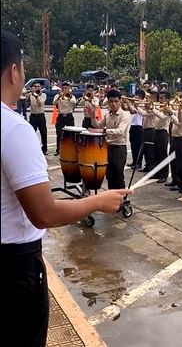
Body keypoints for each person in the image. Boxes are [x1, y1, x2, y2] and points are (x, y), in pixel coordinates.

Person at [1, 30, 132, 347]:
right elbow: (43, 213)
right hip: (12, 268)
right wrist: (98, 201)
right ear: (14, 71)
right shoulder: (13, 128)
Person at [87, 88, 131, 189]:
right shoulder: (108, 114)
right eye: (111, 101)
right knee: (110, 176)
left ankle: (121, 201)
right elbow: (98, 125)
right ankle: (112, 198)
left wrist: (103, 131)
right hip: (108, 147)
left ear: (120, 102)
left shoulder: (125, 115)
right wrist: (93, 117)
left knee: (118, 176)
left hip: (118, 148)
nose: (113, 104)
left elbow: (120, 131)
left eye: (116, 101)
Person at [52, 81, 76, 156]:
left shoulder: (71, 96)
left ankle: (71, 149)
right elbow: (53, 103)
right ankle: (58, 150)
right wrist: (59, 96)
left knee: (71, 134)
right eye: (63, 88)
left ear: (69, 89)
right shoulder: (57, 96)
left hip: (69, 116)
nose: (65, 90)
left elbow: (74, 102)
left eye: (66, 88)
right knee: (59, 134)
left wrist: (68, 97)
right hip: (61, 117)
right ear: (61, 89)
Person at [28, 81, 48, 155]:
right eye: (35, 86)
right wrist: (29, 93)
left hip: (41, 116)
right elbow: (22, 98)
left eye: (38, 86)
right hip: (33, 116)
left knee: (43, 133)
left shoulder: (43, 95)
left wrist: (36, 96)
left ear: (41, 87)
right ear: (33, 87)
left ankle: (44, 149)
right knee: (32, 133)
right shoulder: (30, 95)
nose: (37, 88)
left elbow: (40, 104)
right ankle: (32, 148)